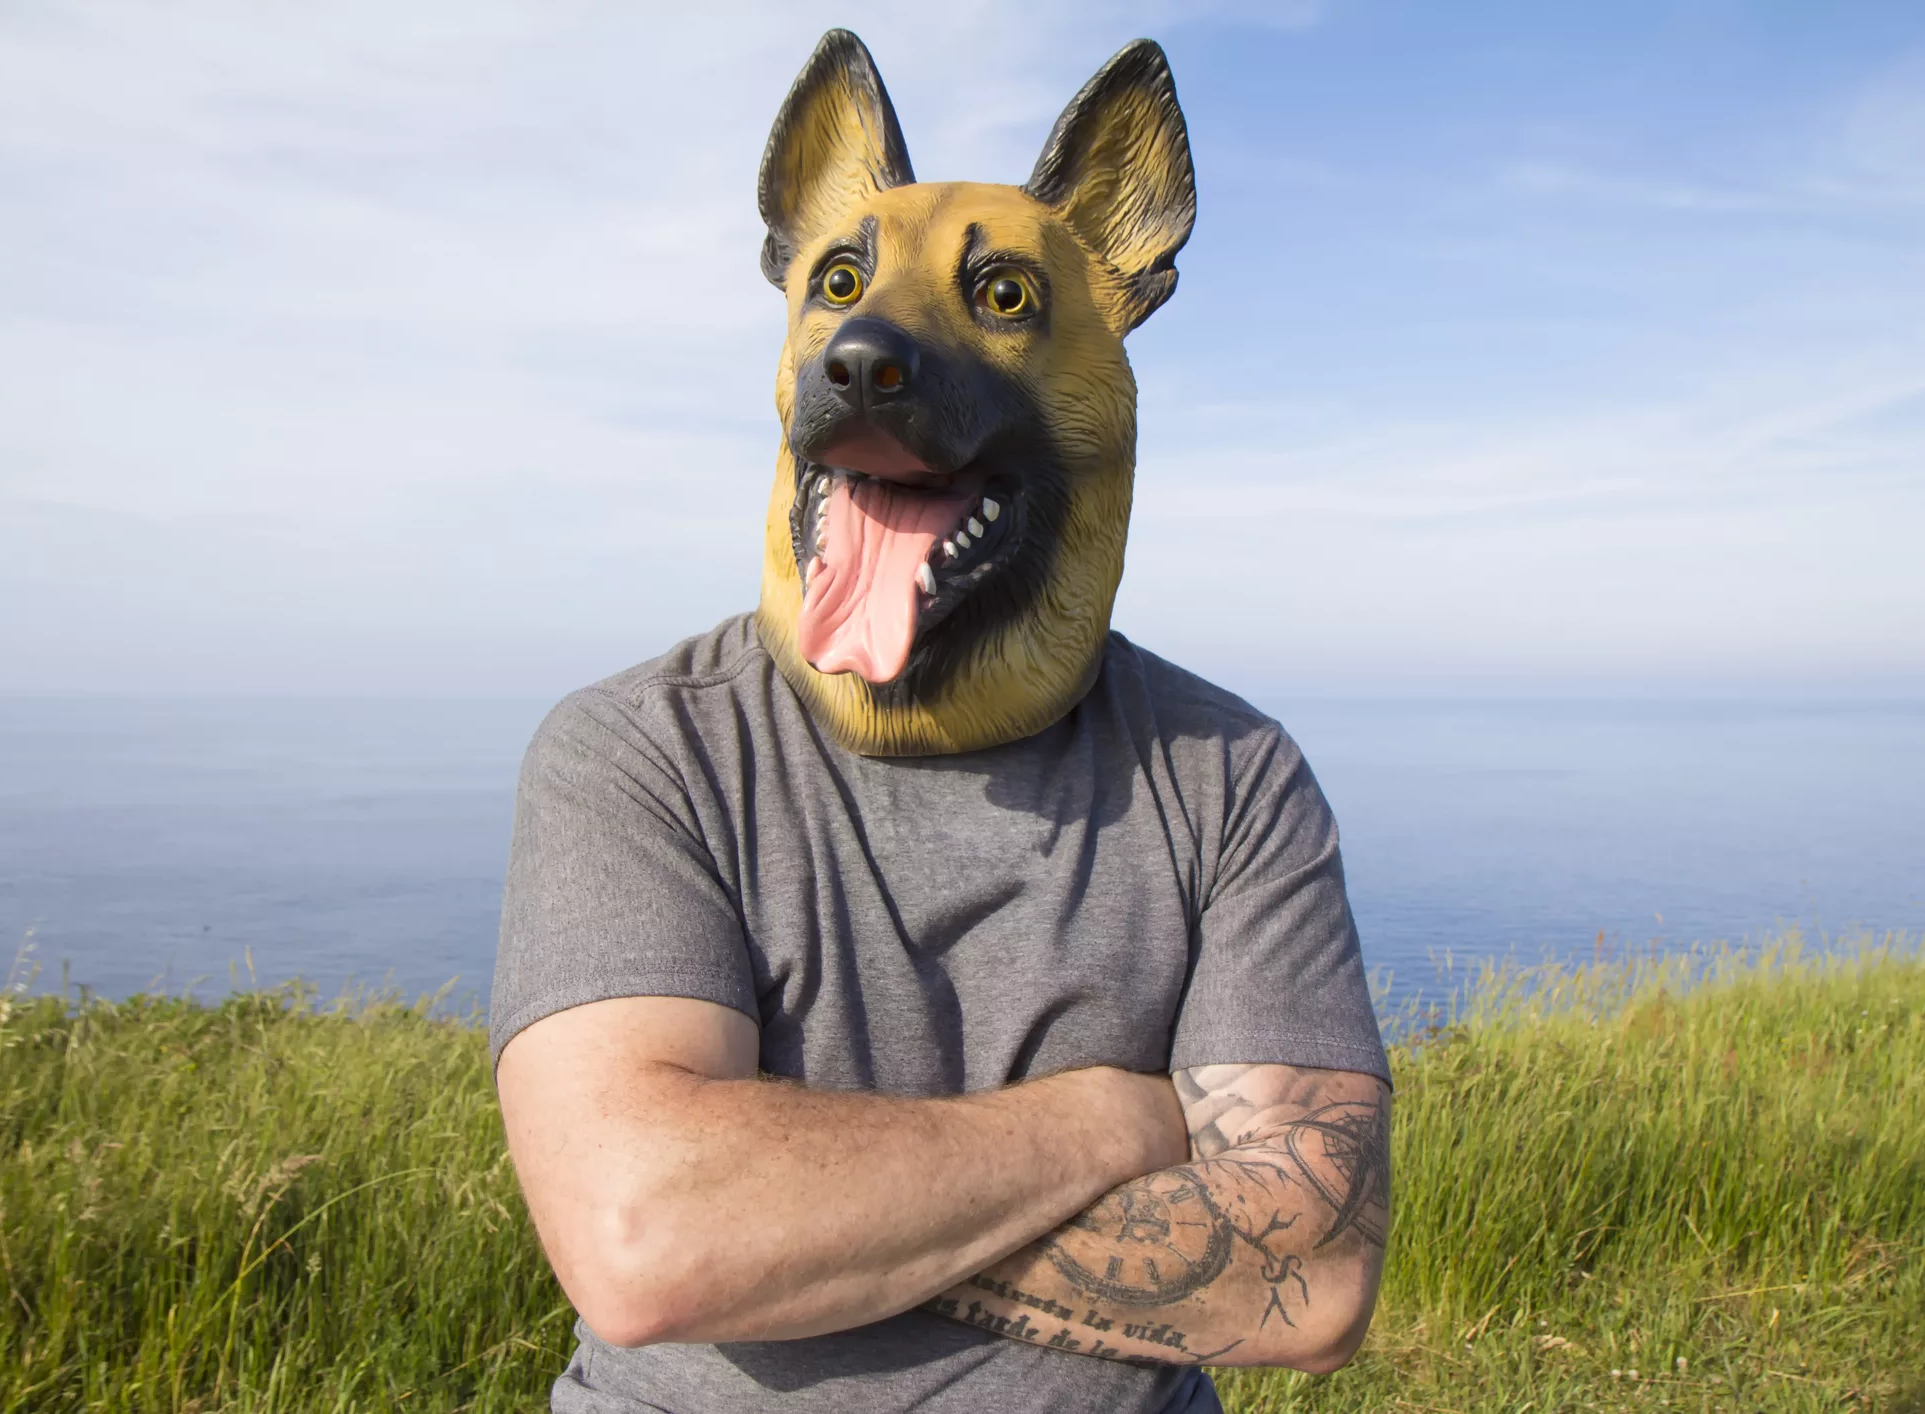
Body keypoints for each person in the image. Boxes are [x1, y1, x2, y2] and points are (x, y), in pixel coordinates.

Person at [491, 29, 1390, 1414]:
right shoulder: (637, 753)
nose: (873, 340)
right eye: (839, 285)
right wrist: (1118, 1117)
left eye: (1005, 296)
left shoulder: (1230, 778)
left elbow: (1308, 1274)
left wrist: (785, 1224)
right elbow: (647, 1241)